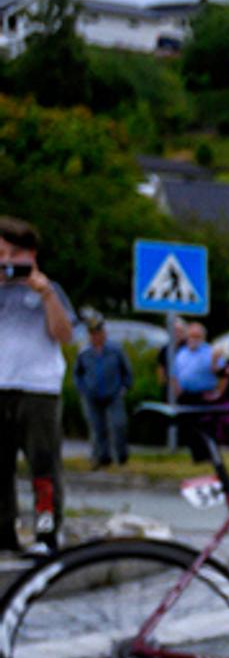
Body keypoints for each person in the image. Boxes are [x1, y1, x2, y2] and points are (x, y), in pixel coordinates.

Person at [0, 215, 79, 554]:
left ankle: (46, 534)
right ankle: (4, 533)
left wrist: (45, 294)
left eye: (12, 255)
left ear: (29, 256)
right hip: (2, 383)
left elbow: (63, 335)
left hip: (38, 388)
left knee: (43, 467)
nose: (6, 263)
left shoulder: (51, 290)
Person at [74, 311, 134, 470]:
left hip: (113, 393)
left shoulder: (115, 350)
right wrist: (82, 389)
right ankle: (102, 457)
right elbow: (78, 373)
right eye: (92, 334)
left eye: (98, 333)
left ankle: (121, 456)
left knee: (118, 424)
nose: (96, 337)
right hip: (92, 395)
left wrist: (125, 387)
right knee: (97, 427)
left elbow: (126, 370)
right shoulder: (84, 352)